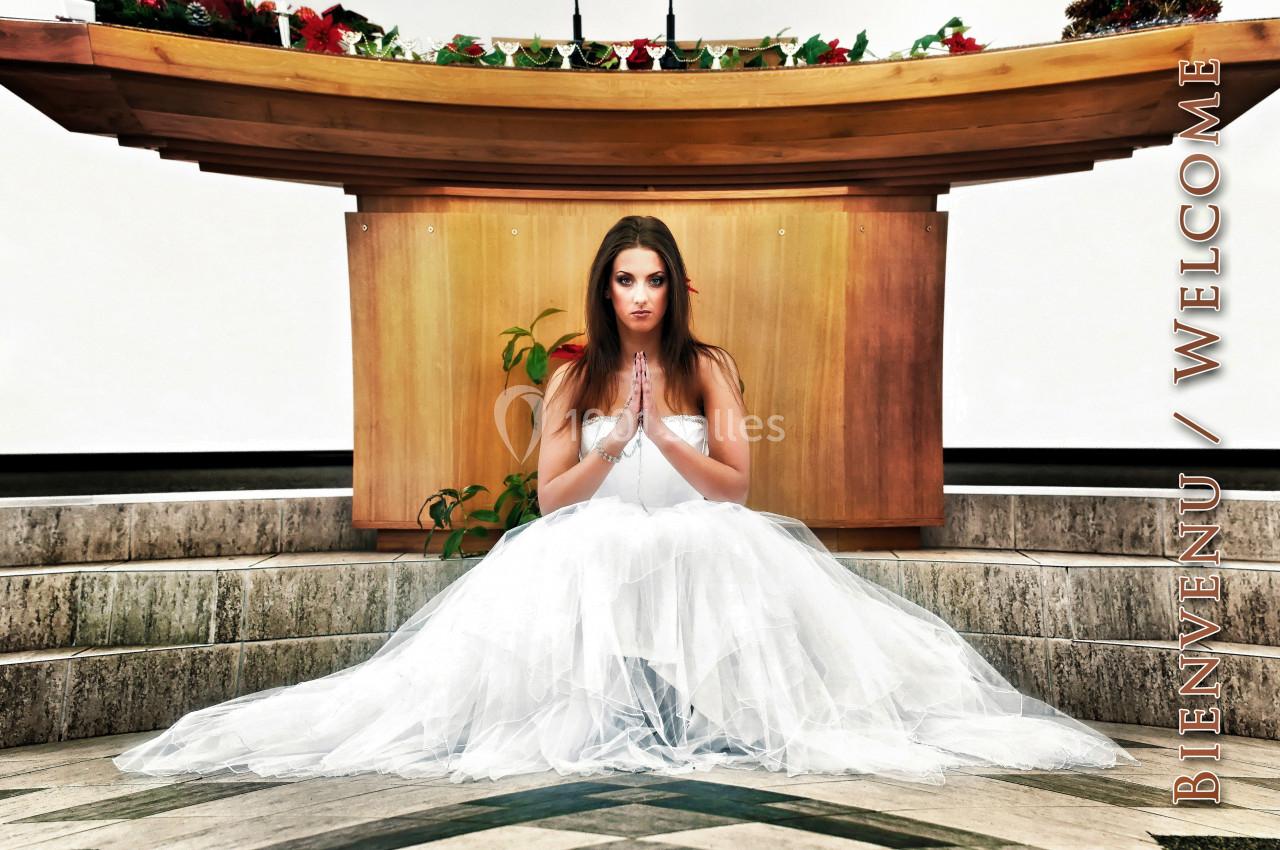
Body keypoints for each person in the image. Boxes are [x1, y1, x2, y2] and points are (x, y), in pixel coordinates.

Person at [113, 215, 1139, 785]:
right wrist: (615, 437)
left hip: (702, 539)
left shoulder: (708, 367)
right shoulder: (571, 376)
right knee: (588, 556)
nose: (639, 295)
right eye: (623, 280)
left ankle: (703, 717)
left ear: (673, 288)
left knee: (710, 559)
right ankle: (607, 713)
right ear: (604, 288)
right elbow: (552, 500)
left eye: (653, 280)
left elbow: (736, 487)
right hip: (592, 539)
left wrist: (662, 434)